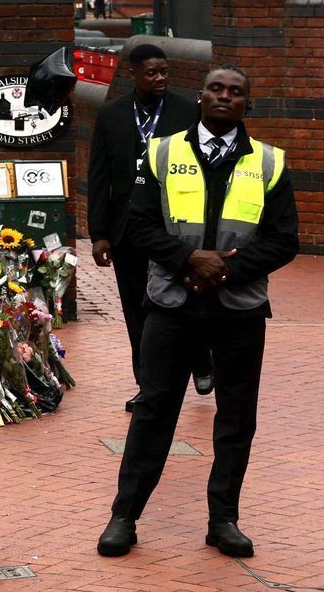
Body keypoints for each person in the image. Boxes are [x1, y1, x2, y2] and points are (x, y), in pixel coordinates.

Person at [98, 65, 298, 560]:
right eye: (216, 89)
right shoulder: (163, 152)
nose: (225, 96)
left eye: (236, 91)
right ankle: (124, 517)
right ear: (201, 97)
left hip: (238, 309)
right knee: (153, 410)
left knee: (237, 417)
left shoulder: (269, 162)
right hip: (172, 304)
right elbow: (139, 225)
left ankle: (223, 521)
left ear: (247, 104)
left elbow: (284, 239)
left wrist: (225, 270)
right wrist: (188, 259)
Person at [87, 44, 201, 410]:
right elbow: (99, 177)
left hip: (174, 230)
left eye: (164, 72)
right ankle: (147, 387)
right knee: (138, 312)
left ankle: (201, 358)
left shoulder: (188, 111)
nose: (160, 78)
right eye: (152, 73)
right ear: (132, 74)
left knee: (185, 302)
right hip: (127, 232)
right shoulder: (111, 115)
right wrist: (99, 234)